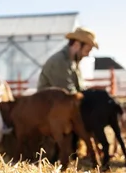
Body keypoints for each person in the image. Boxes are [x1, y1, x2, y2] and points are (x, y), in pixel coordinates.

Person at [35, 27, 99, 164]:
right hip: (50, 111)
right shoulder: (59, 62)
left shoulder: (71, 62)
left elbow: (78, 88)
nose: (87, 55)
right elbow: (68, 94)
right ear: (76, 45)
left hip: (61, 107)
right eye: (87, 50)